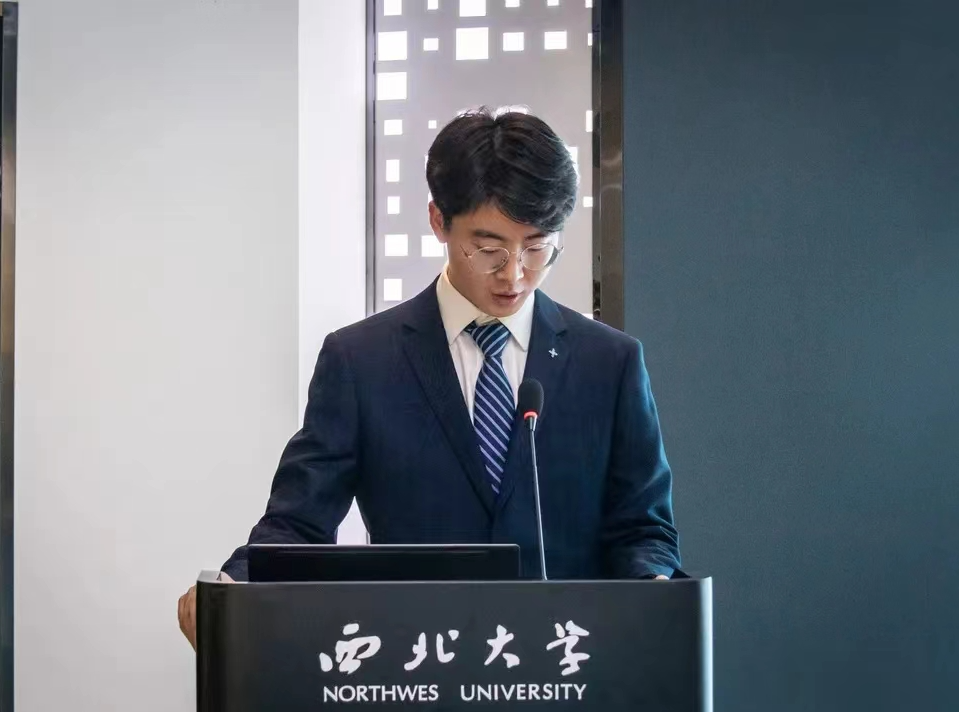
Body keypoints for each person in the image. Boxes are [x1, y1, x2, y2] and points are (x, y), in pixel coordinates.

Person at [178, 108, 681, 649]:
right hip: (416, 666)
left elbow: (643, 528)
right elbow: (299, 523)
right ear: (439, 220)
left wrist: (653, 588)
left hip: (568, 665)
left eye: (537, 248)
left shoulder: (610, 363)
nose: (514, 274)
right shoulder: (361, 361)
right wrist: (234, 587)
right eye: (488, 249)